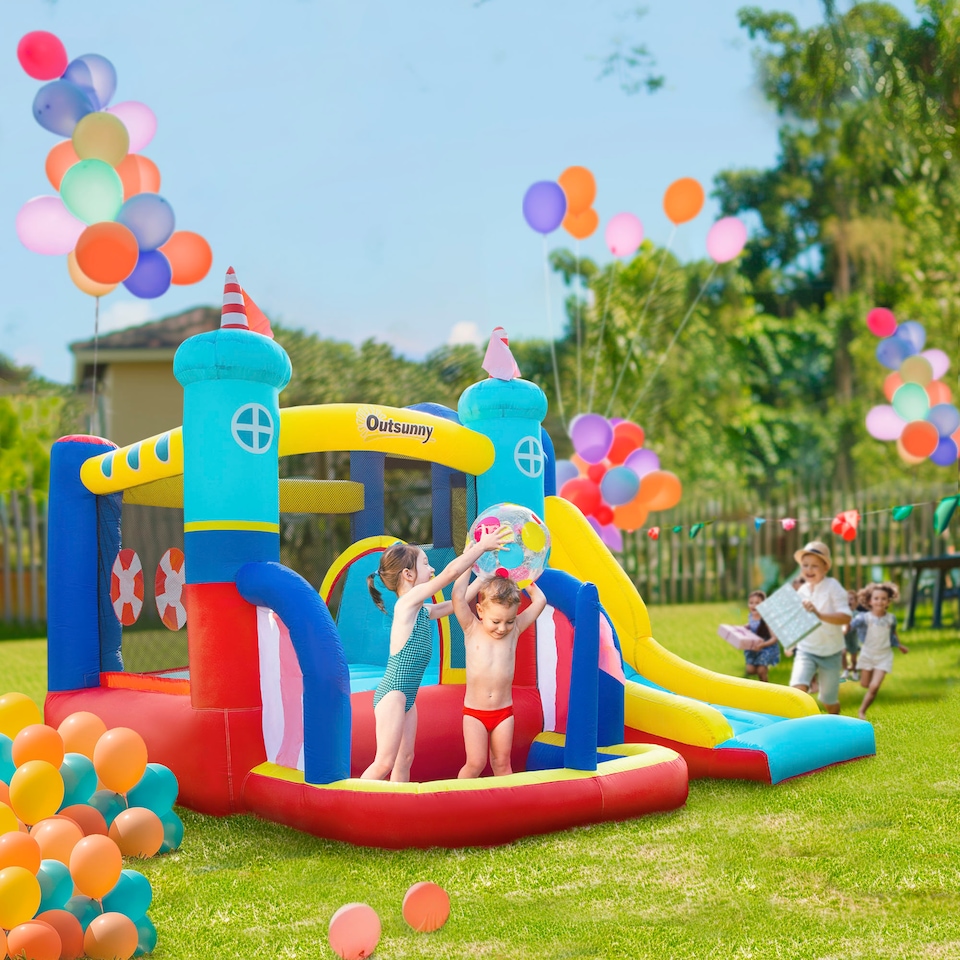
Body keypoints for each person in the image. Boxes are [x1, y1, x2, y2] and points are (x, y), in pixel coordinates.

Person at [361, 525, 511, 782]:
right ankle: (354, 804)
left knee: (405, 759)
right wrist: (480, 547)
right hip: (393, 693)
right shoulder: (407, 603)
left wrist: (483, 576)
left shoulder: (422, 610)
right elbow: (450, 573)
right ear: (408, 574)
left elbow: (457, 603)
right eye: (426, 564)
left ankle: (399, 813)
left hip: (407, 695)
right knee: (384, 761)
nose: (431, 570)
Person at [453, 572, 546, 778]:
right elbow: (458, 597)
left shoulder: (516, 629)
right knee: (475, 763)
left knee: (502, 764)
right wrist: (469, 563)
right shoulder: (471, 627)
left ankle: (509, 809)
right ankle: (461, 805)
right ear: (480, 611)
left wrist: (522, 575)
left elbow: (540, 600)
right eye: (496, 621)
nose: (502, 628)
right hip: (475, 713)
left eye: (509, 621)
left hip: (503, 713)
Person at [790, 541, 852, 715]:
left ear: (825, 567)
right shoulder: (802, 590)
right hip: (806, 649)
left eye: (814, 566)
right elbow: (797, 622)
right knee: (797, 691)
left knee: (828, 701)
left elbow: (846, 617)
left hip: (830, 652)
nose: (809, 570)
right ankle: (801, 732)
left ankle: (836, 723)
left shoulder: (833, 587)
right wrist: (791, 644)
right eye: (805, 565)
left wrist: (819, 614)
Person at [849, 582, 908, 720]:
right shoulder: (864, 617)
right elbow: (850, 626)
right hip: (868, 654)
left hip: (884, 656)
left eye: (883, 599)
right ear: (870, 601)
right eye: (876, 598)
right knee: (865, 684)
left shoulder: (891, 618)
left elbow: (892, 633)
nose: (879, 601)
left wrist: (899, 645)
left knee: (874, 686)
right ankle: (859, 675)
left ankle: (862, 711)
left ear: (888, 601)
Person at [744, 589, 780, 682]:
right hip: (755, 647)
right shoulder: (751, 615)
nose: (753, 605)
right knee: (750, 670)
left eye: (757, 603)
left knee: (761, 672)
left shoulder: (767, 619)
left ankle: (766, 690)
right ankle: (763, 669)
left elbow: (774, 638)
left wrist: (762, 645)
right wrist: (744, 628)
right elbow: (752, 625)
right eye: (751, 603)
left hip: (766, 647)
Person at [841, 588, 868, 682]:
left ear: (856, 602)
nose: (849, 601)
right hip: (843, 638)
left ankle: (855, 671)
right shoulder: (842, 614)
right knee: (842, 653)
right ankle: (845, 671)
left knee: (853, 658)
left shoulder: (857, 614)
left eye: (851, 599)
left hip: (853, 638)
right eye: (847, 599)